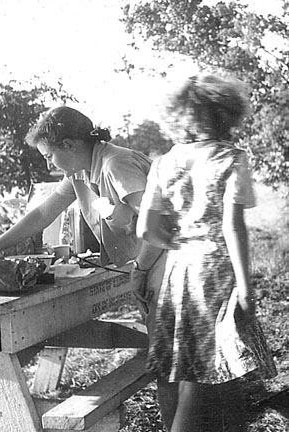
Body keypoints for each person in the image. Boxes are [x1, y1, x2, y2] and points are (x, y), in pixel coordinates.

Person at [0, 105, 177, 428]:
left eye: (49, 155)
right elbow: (43, 215)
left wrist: (139, 271)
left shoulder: (116, 164)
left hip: (169, 268)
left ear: (70, 145)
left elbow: (159, 226)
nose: (47, 164)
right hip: (151, 267)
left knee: (173, 369)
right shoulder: (81, 173)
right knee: (169, 365)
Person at [136, 74, 277, 431]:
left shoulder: (165, 162)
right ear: (225, 113)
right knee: (202, 376)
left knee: (190, 366)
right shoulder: (231, 158)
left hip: (180, 268)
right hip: (215, 271)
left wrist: (179, 244)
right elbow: (233, 226)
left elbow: (146, 229)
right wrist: (246, 288)